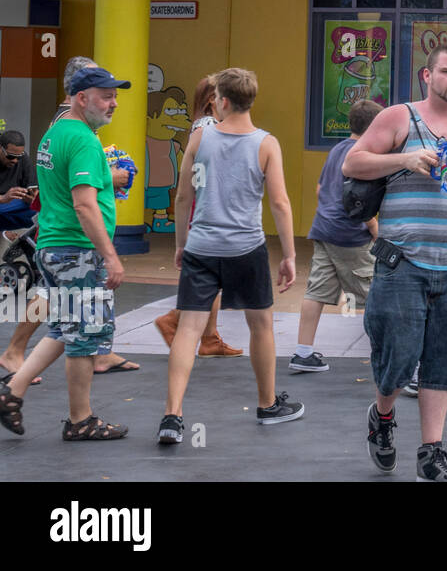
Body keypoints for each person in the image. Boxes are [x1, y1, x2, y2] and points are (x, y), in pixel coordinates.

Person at [343, 44, 447, 481]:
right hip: (403, 262)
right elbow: (352, 161)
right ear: (427, 75)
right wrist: (406, 159)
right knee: (397, 359)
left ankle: (431, 452)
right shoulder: (399, 117)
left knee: (444, 362)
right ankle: (383, 416)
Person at [158, 68, 303, 445]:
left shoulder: (200, 137)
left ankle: (172, 416)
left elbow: (182, 195)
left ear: (221, 100)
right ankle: (267, 404)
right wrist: (289, 255)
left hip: (202, 246)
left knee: (188, 330)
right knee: (261, 327)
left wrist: (180, 243)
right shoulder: (266, 143)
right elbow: (280, 203)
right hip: (246, 248)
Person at [0, 66, 132, 440]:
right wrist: (110, 256)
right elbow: (85, 205)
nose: (114, 103)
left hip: (55, 246)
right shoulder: (83, 140)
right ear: (81, 98)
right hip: (78, 251)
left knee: (64, 328)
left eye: (115, 95)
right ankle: (80, 420)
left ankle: (12, 391)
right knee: (86, 335)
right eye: (106, 96)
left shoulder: (55, 133)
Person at [289, 99, 382, 373]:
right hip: (350, 234)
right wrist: (376, 229)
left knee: (316, 291)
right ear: (375, 128)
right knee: (377, 292)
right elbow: (358, 201)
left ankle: (303, 352)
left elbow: (320, 190)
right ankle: (387, 351)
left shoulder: (336, 150)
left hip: (324, 229)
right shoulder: (361, 155)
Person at [153, 74, 242, 358]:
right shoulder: (210, 127)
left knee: (213, 277)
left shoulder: (202, 125)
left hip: (204, 208)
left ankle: (209, 337)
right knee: (212, 277)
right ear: (212, 100)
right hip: (206, 209)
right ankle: (177, 319)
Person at [0, 131, 38, 232]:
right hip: (3, 205)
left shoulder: (23, 158)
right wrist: (3, 198)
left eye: (19, 157)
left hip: (15, 207)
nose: (15, 160)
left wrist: (34, 198)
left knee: (41, 211)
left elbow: (33, 187)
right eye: (11, 156)